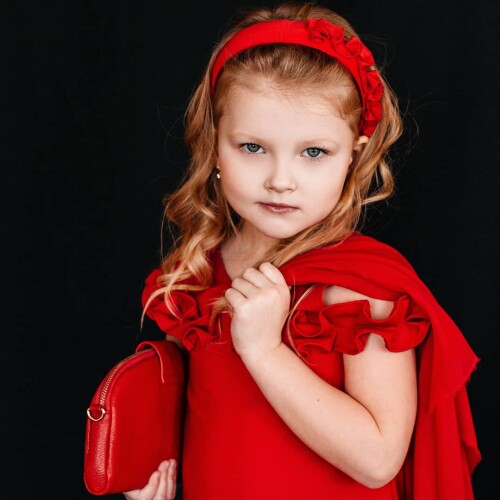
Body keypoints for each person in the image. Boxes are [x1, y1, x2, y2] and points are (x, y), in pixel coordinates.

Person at [124, 2, 480, 499]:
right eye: (252, 147)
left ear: (352, 156)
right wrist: (151, 472)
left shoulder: (359, 287)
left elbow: (378, 460)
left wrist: (264, 350)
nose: (280, 179)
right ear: (214, 145)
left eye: (314, 152)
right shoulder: (195, 276)